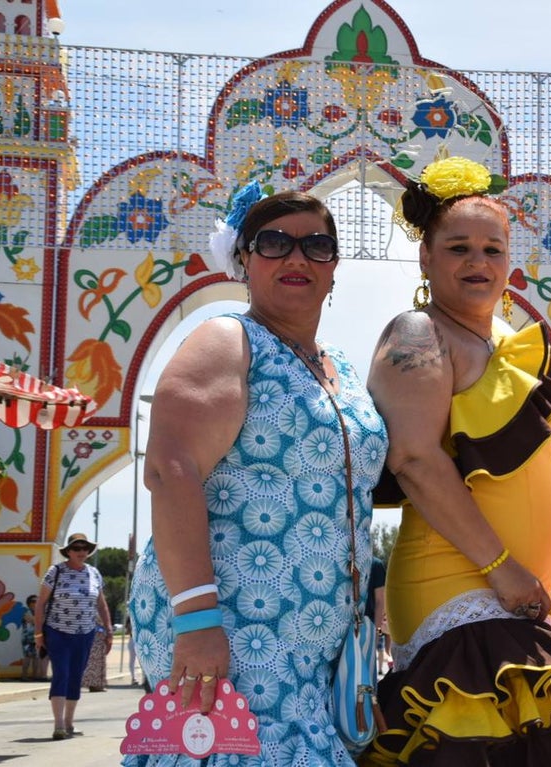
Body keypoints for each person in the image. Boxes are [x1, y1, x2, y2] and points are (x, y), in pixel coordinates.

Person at [364, 156, 551, 766]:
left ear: (510, 259)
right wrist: (499, 568)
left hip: (516, 592)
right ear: (426, 257)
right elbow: (417, 461)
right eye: (459, 248)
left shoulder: (514, 346)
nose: (478, 262)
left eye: (492, 249)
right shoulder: (418, 335)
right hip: (459, 587)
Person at [123, 185, 388, 767]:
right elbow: (171, 469)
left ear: (334, 268)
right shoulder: (229, 339)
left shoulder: (338, 365)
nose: (297, 258)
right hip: (232, 622)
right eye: (275, 243)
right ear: (243, 259)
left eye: (317, 245)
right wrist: (196, 618)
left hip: (312, 636)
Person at [33, 532, 112, 740]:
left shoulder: (94, 573)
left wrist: (109, 630)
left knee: (76, 676)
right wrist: (39, 634)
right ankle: (58, 724)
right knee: (62, 673)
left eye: (85, 548)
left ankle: (69, 722)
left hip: (85, 633)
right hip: (58, 631)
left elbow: (101, 604)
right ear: (68, 551)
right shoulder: (55, 571)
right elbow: (40, 604)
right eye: (76, 548)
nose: (81, 552)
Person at [363, 556, 390, 678]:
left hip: (368, 628)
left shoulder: (375, 565)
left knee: (366, 674)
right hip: (343, 627)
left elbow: (380, 601)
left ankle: (369, 697)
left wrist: (377, 632)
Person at [81, 615, 109, 692]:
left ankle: (96, 685)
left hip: (98, 643)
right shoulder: (93, 612)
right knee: (91, 664)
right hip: (94, 642)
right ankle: (93, 684)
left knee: (96, 664)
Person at [20, 594, 41, 681]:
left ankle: (35, 676)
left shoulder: (38, 612)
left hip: (36, 638)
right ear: (29, 603)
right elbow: (34, 621)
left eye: (37, 601)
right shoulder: (26, 612)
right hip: (27, 638)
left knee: (36, 657)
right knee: (27, 657)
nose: (36, 602)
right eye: (33, 601)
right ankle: (24, 676)